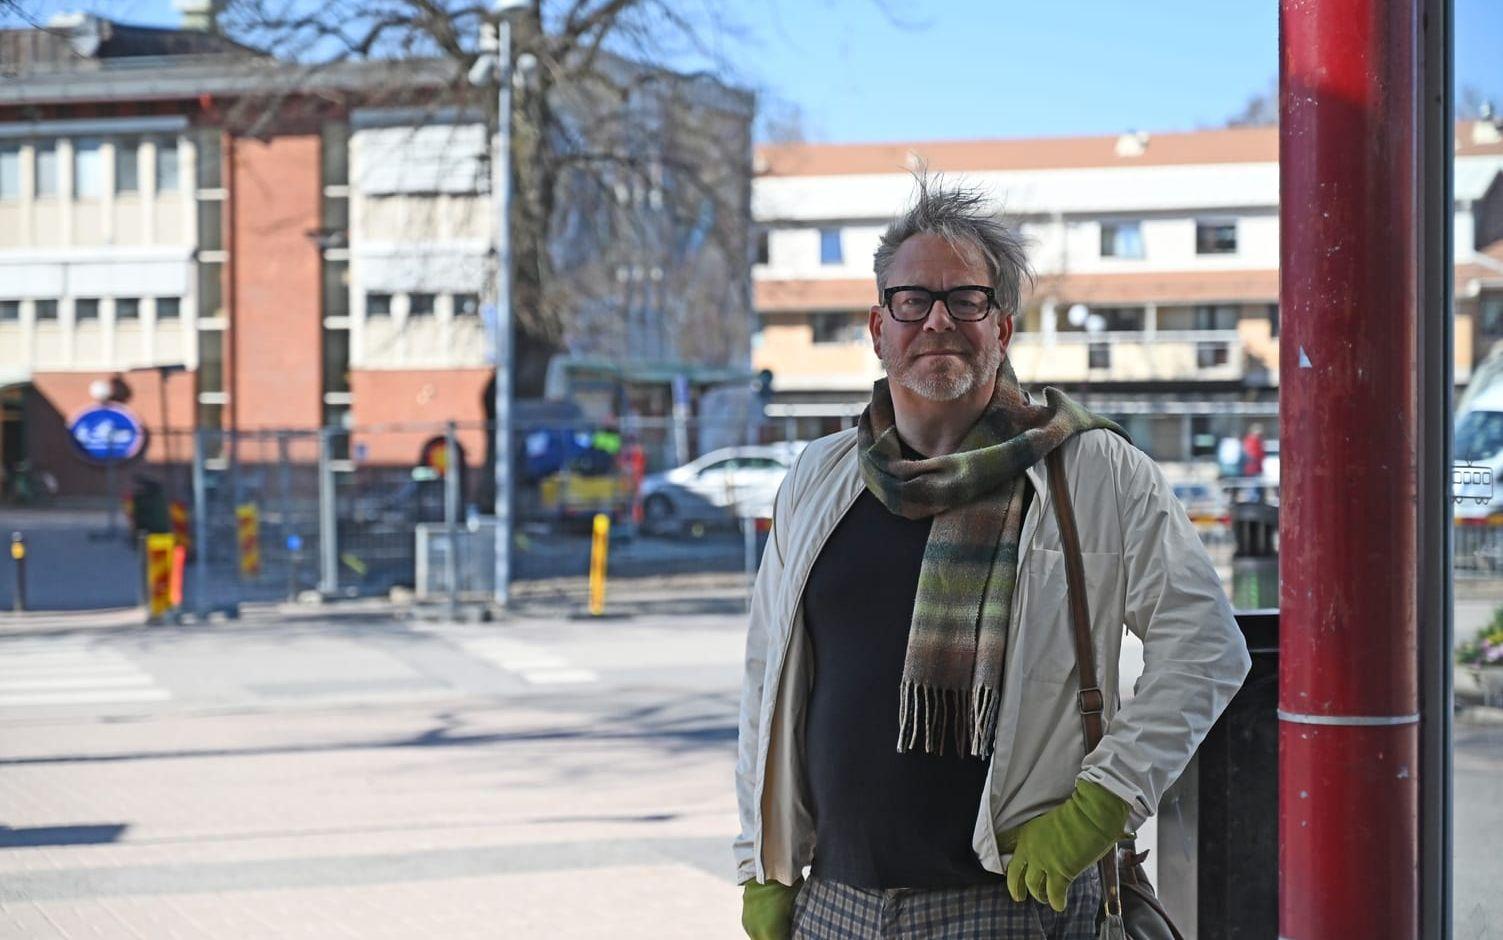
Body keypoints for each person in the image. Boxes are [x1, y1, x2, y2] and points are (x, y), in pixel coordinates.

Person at [734, 177, 1251, 939]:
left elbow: (1205, 649)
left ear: (1002, 327)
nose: (937, 320)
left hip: (1012, 903)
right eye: (912, 300)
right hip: (833, 904)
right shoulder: (821, 475)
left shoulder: (1092, 470)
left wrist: (1103, 801)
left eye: (965, 300)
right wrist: (760, 863)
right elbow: (765, 678)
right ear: (879, 327)